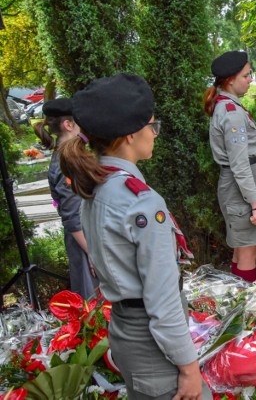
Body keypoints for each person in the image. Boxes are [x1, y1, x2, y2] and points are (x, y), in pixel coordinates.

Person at [58, 73, 206, 399]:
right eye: (152, 126)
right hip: (151, 342)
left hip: (125, 330)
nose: (154, 134)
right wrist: (189, 368)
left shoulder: (96, 187)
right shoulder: (139, 201)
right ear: (129, 136)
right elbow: (163, 300)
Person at [204, 51, 256, 283]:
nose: (250, 79)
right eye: (246, 75)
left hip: (238, 184)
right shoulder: (232, 113)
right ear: (230, 80)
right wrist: (255, 205)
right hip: (241, 185)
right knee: (247, 250)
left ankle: (239, 304)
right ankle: (247, 310)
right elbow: (240, 164)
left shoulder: (226, 106)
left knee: (241, 248)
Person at [33, 99, 98, 299]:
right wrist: (93, 254)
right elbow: (72, 218)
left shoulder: (69, 158)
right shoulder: (64, 164)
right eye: (79, 124)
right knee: (95, 307)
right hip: (85, 243)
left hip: (90, 238)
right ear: (69, 125)